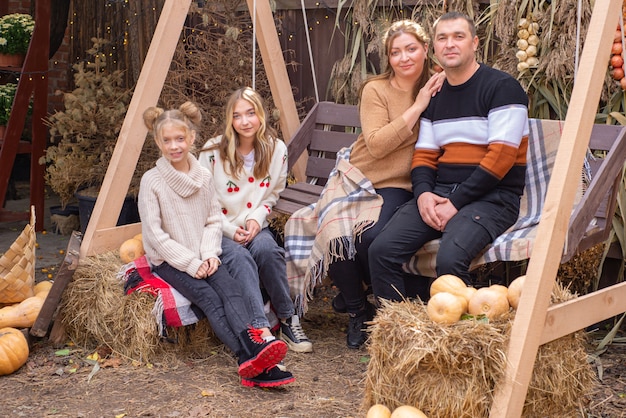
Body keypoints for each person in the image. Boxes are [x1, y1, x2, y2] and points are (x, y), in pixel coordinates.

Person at [285, 19, 445, 349]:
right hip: (357, 176)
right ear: (388, 57)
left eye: (411, 49)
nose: (404, 58)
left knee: (369, 236)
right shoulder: (376, 90)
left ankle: (354, 294)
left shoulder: (438, 86)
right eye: (396, 52)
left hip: (398, 185)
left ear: (425, 50)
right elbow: (376, 144)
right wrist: (417, 108)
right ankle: (358, 310)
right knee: (337, 228)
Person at [369, 12, 529, 301]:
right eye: (442, 38)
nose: (450, 44)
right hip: (442, 192)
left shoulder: (503, 88)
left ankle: (456, 340)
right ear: (435, 47)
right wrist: (423, 195)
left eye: (458, 36)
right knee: (381, 251)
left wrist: (455, 202)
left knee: (450, 259)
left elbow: (501, 158)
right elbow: (424, 156)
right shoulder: (436, 95)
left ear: (475, 43)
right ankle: (399, 334)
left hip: (494, 196)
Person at [138, 101, 295, 388]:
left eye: (180, 139)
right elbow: (156, 236)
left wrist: (210, 254)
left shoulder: (203, 175)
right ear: (158, 142)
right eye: (167, 140)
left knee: (231, 289)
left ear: (192, 139)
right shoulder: (152, 181)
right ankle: (248, 358)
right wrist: (193, 263)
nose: (175, 146)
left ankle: (255, 355)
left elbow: (213, 220)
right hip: (171, 260)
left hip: (204, 253)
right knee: (210, 299)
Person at [198, 87, 313, 353]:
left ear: (260, 115)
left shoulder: (276, 150)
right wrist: (228, 229)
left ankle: (287, 318)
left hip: (253, 225)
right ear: (230, 120)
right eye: (238, 116)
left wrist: (257, 219)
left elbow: (272, 194)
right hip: (218, 227)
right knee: (240, 258)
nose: (245, 121)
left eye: (251, 113)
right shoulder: (212, 152)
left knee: (267, 249)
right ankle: (260, 330)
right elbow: (202, 200)